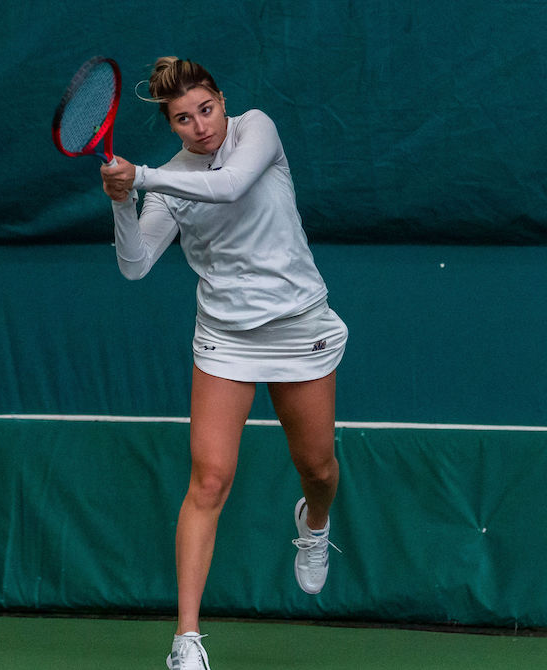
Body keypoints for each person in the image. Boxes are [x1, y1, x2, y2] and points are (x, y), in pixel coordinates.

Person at [99, 57, 348, 670]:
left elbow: (232, 185)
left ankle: (314, 524)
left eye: (206, 109)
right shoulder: (171, 182)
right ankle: (186, 641)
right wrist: (122, 201)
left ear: (222, 101)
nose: (200, 126)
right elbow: (134, 266)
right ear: (171, 124)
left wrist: (147, 176)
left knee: (316, 468)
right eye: (183, 119)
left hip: (299, 326)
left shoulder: (256, 130)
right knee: (208, 479)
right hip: (225, 338)